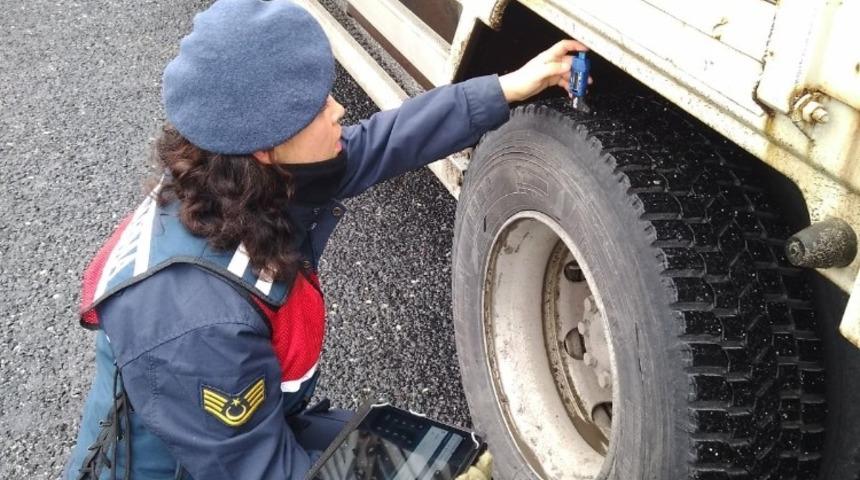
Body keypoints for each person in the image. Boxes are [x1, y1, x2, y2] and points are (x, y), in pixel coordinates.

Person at [64, 0, 587, 478]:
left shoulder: (233, 177)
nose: (338, 109)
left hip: (248, 428)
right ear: (266, 148)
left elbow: (382, 142)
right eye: (315, 107)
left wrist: (503, 88)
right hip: (207, 465)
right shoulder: (193, 320)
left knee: (432, 455)